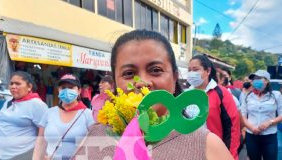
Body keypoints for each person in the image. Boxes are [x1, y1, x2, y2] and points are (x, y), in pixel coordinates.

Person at [73, 30, 233, 160]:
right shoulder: (95, 135)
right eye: (129, 73)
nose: (141, 82)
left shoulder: (205, 145)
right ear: (115, 83)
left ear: (175, 78)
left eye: (155, 70)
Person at [187, 55, 240, 160]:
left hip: (215, 151)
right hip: (191, 151)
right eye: (189, 70)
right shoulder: (186, 94)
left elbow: (232, 128)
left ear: (208, 71)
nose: (191, 73)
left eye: (195, 69)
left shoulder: (221, 93)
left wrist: (230, 155)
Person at [33, 74, 94, 159]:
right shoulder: (49, 113)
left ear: (79, 91)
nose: (66, 91)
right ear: (58, 90)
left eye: (71, 87)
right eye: (63, 88)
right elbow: (40, 142)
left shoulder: (88, 115)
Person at [0, 71, 48, 160]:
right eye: (11, 83)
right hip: (1, 155)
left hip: (23, 155)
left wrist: (37, 157)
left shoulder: (36, 104)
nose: (13, 86)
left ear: (29, 87)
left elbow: (44, 136)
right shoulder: (8, 102)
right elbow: (1, 128)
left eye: (17, 84)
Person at [241, 70, 282, 160]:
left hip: (270, 136)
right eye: (254, 79)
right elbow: (243, 116)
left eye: (258, 78)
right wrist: (251, 128)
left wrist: (270, 122)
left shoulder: (276, 95)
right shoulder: (247, 96)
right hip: (251, 136)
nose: (255, 81)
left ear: (266, 81)